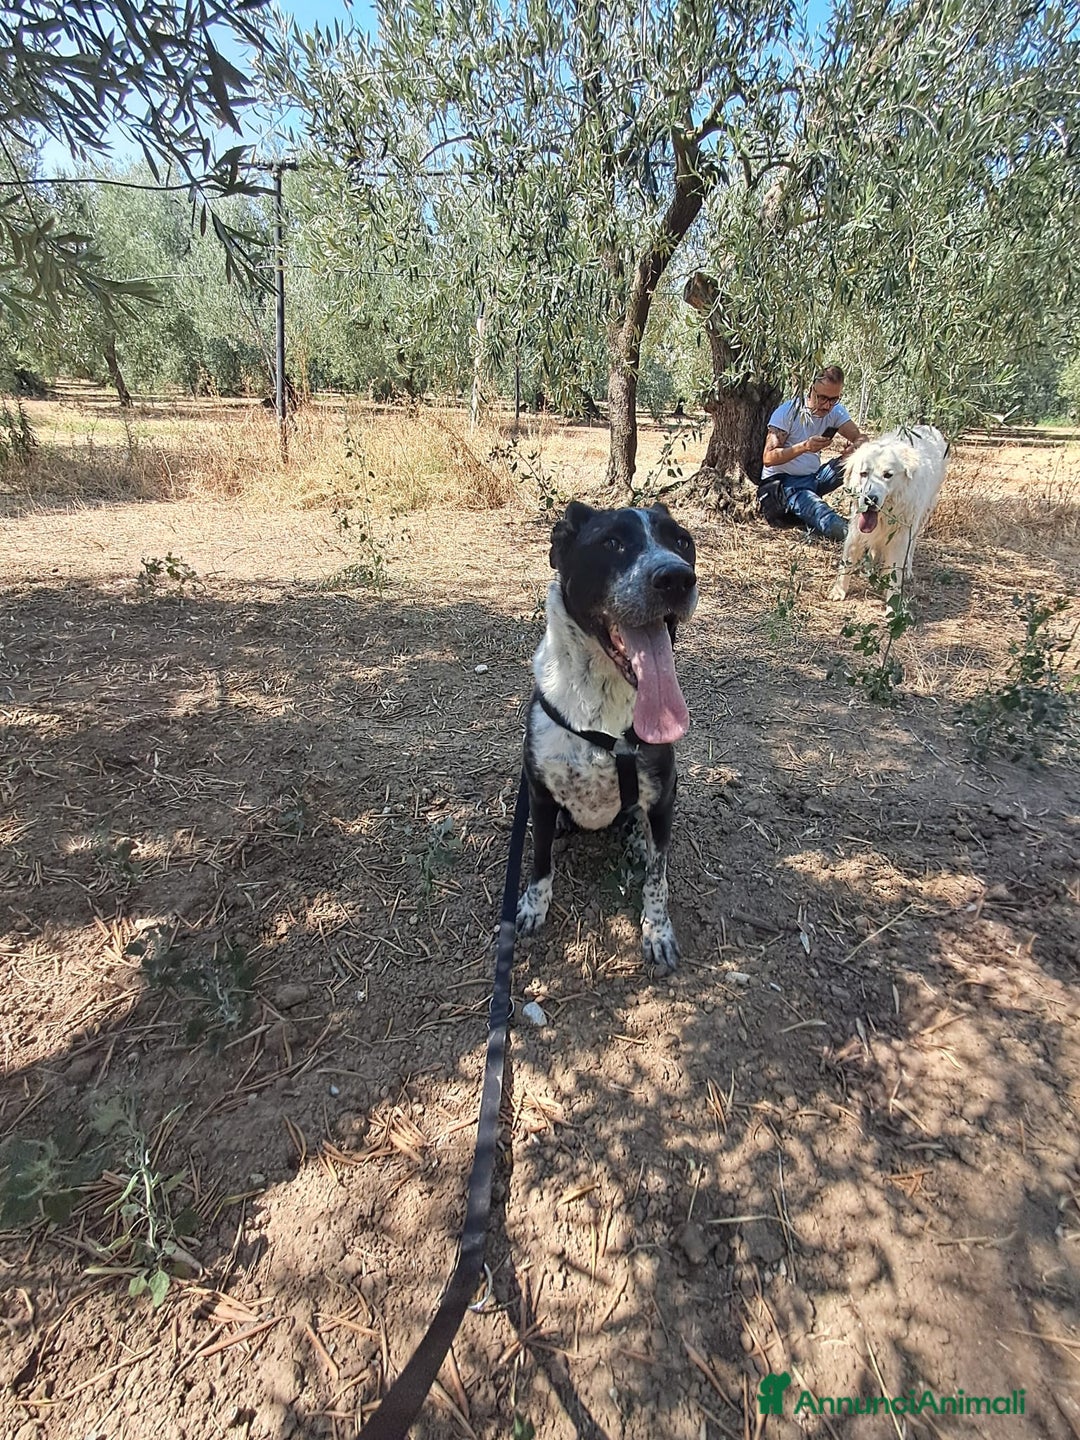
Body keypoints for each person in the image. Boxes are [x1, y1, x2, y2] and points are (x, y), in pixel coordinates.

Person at [758, 366, 869, 541]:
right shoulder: (788, 412)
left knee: (854, 461)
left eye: (834, 399)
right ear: (811, 389)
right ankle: (860, 540)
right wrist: (805, 447)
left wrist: (855, 448)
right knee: (830, 522)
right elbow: (768, 457)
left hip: (813, 479)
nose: (827, 405)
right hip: (784, 485)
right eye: (822, 398)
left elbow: (862, 438)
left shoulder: (836, 411)